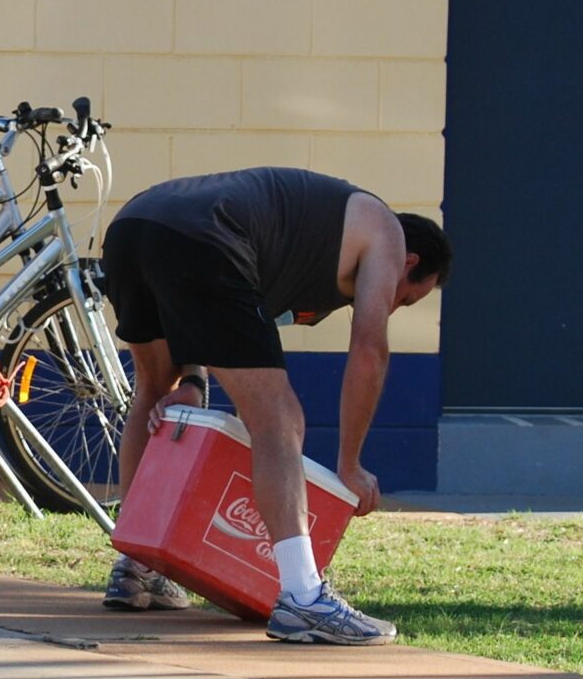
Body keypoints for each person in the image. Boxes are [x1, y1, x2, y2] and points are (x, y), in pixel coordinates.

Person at [94, 167, 450, 645]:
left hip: (135, 228)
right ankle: (304, 598)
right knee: (281, 419)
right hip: (203, 237)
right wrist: (350, 464)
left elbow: (214, 309)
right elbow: (370, 350)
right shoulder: (384, 232)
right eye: (407, 298)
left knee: (155, 390)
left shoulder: (305, 242)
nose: (393, 303)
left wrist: (194, 380)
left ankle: (135, 567)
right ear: (408, 262)